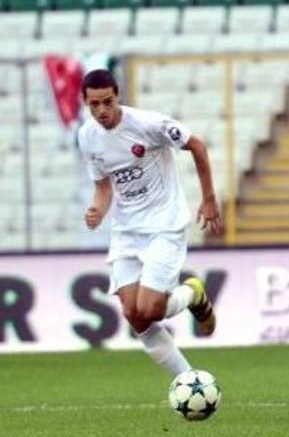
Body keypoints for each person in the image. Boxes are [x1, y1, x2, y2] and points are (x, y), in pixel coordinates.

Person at [77, 69, 221, 379]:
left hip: (163, 224)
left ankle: (193, 294)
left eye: (107, 102)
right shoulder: (87, 136)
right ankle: (187, 380)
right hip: (126, 231)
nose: (102, 111)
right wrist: (97, 210)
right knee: (134, 314)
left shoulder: (148, 124)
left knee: (152, 308)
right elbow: (104, 188)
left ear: (118, 96)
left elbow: (196, 145)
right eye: (94, 105)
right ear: (86, 103)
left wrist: (208, 198)